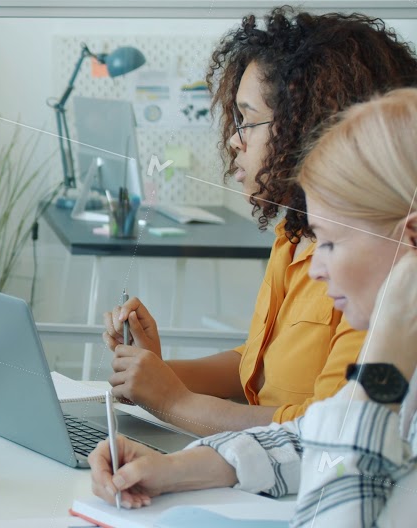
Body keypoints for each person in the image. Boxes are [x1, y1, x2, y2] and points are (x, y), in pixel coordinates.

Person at [90, 87, 417, 527]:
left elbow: (336, 507)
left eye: (333, 244)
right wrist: (174, 469)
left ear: (411, 239)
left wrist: (383, 365)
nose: (316, 269)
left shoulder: (391, 362)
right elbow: (311, 438)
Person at [103, 8, 417, 434]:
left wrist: (174, 401)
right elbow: (255, 364)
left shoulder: (374, 265)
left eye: (248, 121)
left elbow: (327, 430)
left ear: (306, 124)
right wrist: (153, 373)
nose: (234, 141)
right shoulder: (293, 235)